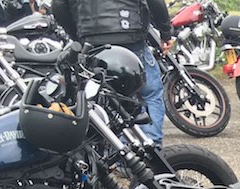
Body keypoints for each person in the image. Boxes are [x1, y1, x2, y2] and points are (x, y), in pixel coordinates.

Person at [51, 0, 173, 144]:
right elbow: (156, 2)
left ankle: (118, 148)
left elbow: (59, 5)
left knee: (104, 98)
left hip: (92, 40)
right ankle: (151, 144)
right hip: (131, 35)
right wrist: (165, 33)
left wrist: (77, 35)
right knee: (150, 94)